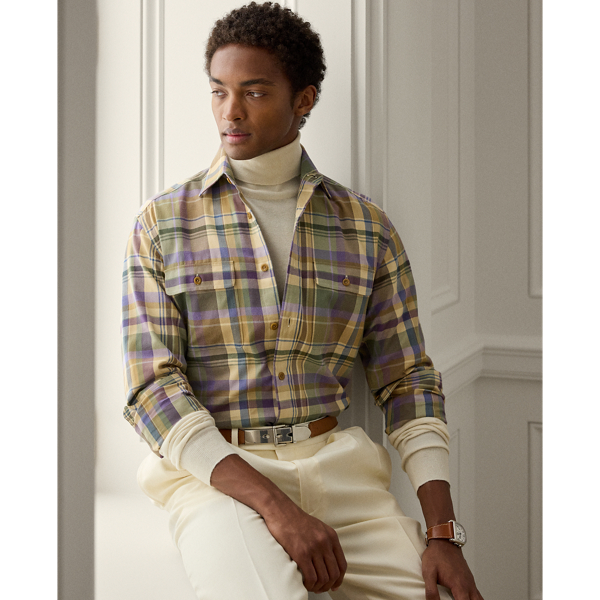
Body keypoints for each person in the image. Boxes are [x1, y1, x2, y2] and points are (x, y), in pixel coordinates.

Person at [122, 3, 484, 599]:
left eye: (254, 92)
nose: (230, 112)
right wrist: (276, 507)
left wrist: (443, 533)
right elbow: (151, 392)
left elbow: (408, 381)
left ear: (304, 100)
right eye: (218, 91)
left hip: (342, 477)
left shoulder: (366, 228)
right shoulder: (163, 224)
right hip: (217, 483)